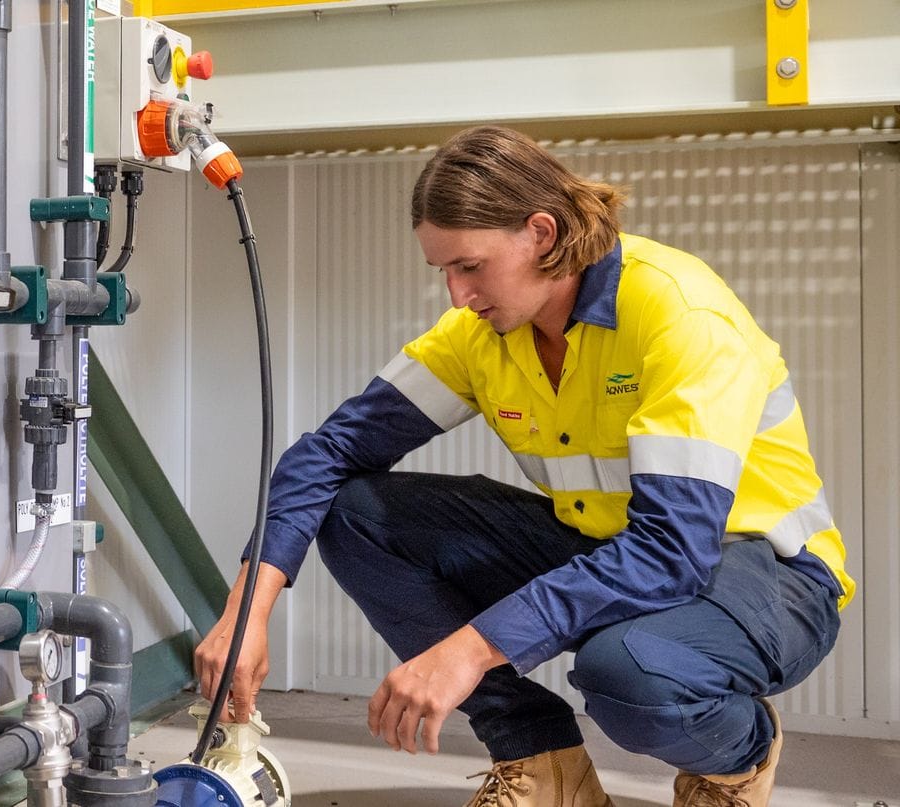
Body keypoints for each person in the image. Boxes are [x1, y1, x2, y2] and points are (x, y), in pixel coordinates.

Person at [192, 125, 854, 807]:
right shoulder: (480, 335)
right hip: (611, 546)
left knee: (629, 675)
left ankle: (738, 760)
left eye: (470, 266)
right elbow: (328, 453)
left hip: (767, 572)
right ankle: (544, 766)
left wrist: (469, 647)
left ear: (541, 232)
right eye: (444, 272)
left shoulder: (679, 313)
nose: (457, 295)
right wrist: (246, 613)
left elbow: (672, 551)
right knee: (355, 513)